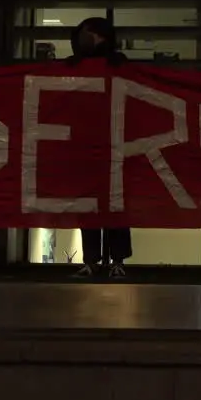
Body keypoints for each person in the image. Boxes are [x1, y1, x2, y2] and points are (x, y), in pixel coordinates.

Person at [67, 16, 132, 278]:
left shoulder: (116, 64)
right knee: (94, 207)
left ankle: (110, 261)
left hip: (110, 146)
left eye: (90, 33)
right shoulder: (78, 65)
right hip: (92, 147)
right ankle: (97, 261)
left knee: (113, 207)